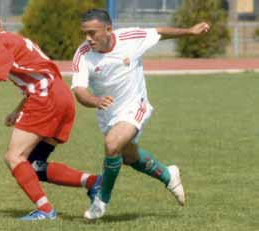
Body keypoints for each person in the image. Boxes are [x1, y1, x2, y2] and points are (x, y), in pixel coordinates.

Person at [0, 4, 102, 221]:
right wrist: (16, 110)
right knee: (34, 166)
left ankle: (46, 211)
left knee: (14, 156)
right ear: (0, 22)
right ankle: (94, 182)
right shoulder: (18, 40)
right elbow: (39, 76)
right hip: (61, 96)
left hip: (45, 99)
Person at [71, 8, 210, 219]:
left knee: (112, 144)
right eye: (85, 33)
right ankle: (167, 174)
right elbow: (79, 91)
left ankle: (101, 199)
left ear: (108, 30)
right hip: (108, 113)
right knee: (128, 155)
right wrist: (95, 100)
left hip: (136, 105)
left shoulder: (130, 38)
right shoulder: (82, 54)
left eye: (92, 33)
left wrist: (190, 31)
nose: (87, 38)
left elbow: (160, 32)